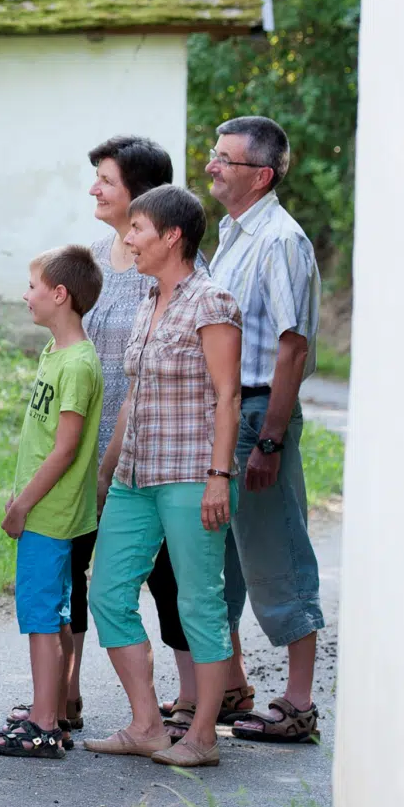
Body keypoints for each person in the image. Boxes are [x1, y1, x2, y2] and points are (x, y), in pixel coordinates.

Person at [86, 184, 243, 770]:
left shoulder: (212, 301)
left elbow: (227, 398)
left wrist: (219, 477)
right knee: (107, 594)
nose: (127, 238)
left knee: (200, 603)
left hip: (189, 474)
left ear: (171, 236)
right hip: (136, 476)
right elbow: (134, 393)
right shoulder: (149, 298)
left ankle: (202, 736)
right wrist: (107, 472)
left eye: (138, 229)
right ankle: (148, 724)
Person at [77, 137, 207, 729]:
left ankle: (193, 699)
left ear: (142, 195)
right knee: (80, 570)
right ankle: (64, 696)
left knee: (170, 578)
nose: (95, 189)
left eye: (106, 179)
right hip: (89, 443)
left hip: (154, 447)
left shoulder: (176, 270)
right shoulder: (99, 257)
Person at [205, 116, 326, 746]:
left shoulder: (279, 239)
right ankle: (229, 686)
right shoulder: (231, 233)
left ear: (263, 175)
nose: (211, 167)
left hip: (258, 414)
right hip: (228, 412)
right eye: (214, 155)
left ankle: (299, 703)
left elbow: (293, 347)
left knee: (276, 552)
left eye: (225, 159)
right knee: (218, 557)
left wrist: (271, 439)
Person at [0, 246, 104, 760]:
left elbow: (66, 448)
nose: (26, 294)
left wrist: (22, 505)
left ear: (60, 295)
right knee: (50, 611)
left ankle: (42, 723)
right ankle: (49, 706)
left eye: (33, 286)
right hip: (44, 508)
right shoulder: (55, 353)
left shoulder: (77, 364)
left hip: (50, 514)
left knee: (37, 614)